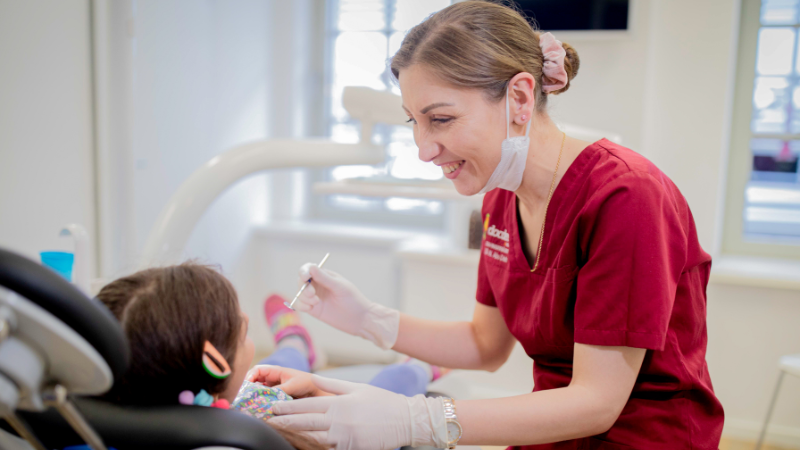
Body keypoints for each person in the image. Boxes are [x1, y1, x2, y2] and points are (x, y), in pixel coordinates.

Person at [265, 2, 725, 450]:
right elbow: (485, 345)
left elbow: (596, 403)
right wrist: (369, 320)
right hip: (554, 433)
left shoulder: (627, 197)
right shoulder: (501, 199)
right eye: (414, 122)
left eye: (440, 119)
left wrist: (414, 419)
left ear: (520, 98)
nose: (424, 149)